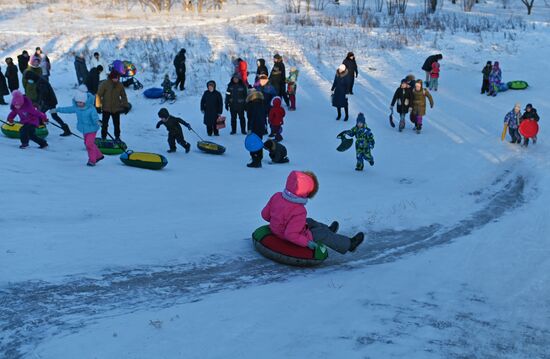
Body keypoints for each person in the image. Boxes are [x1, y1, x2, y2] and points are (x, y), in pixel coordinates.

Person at [261, 170, 364, 254]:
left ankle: (328, 229)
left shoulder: (277, 196)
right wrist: (307, 243)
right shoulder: (298, 211)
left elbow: (265, 215)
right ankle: (349, 245)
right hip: (287, 236)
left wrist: (279, 219)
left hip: (277, 229)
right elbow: (290, 235)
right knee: (321, 234)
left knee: (309, 221)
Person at [53, 90, 104, 166]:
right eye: (78, 102)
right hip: (84, 129)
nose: (79, 104)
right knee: (88, 143)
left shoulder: (91, 109)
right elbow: (67, 109)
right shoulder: (76, 108)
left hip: (92, 129)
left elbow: (95, 117)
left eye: (81, 102)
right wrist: (57, 110)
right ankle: (99, 155)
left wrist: (98, 122)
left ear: (85, 101)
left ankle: (92, 160)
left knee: (89, 144)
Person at [24, 70, 72, 136]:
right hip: (50, 101)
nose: (29, 81)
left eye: (29, 79)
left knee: (40, 114)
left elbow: (43, 93)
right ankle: (66, 129)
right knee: (53, 115)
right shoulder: (39, 80)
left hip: (48, 102)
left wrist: (39, 102)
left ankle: (40, 129)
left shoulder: (40, 82)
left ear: (31, 77)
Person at [95, 70, 129, 140]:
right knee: (104, 125)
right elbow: (98, 95)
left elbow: (123, 96)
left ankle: (117, 137)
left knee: (117, 125)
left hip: (116, 108)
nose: (116, 79)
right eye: (114, 78)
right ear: (111, 77)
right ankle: (103, 137)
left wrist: (126, 106)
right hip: (106, 108)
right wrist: (98, 106)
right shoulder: (105, 84)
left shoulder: (120, 85)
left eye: (117, 78)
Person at [246, 89, 266, 168]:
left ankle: (255, 161)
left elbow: (252, 117)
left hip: (254, 127)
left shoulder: (252, 104)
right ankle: (259, 160)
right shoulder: (261, 103)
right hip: (260, 127)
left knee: (253, 143)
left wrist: (250, 128)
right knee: (259, 142)